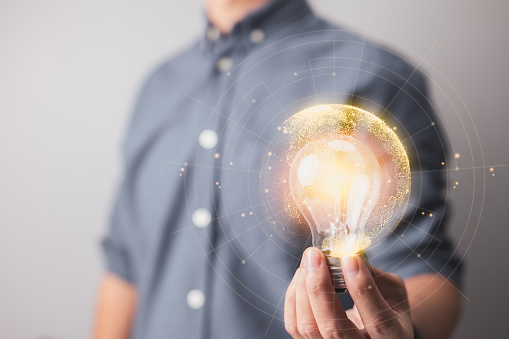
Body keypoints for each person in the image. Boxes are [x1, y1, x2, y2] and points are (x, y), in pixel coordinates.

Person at [93, 0, 463, 338]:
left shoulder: (369, 74)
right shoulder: (157, 89)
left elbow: (424, 270)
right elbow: (125, 267)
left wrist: (391, 329)